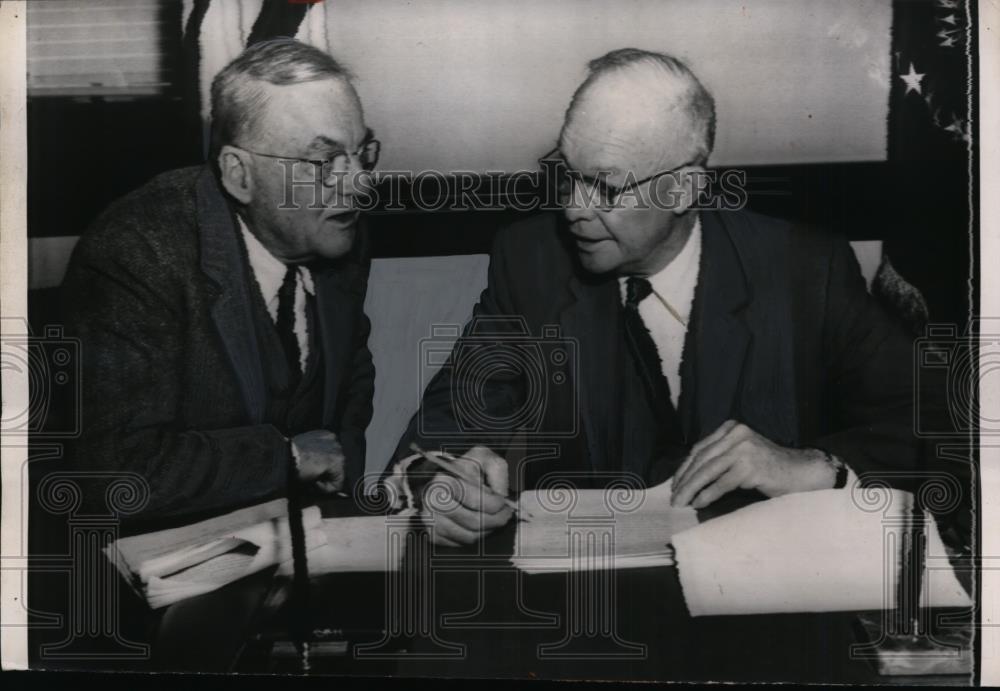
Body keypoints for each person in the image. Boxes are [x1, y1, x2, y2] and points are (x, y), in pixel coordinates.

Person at [389, 48, 918, 546]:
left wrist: (816, 467)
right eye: (566, 174)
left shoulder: (806, 269)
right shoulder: (530, 262)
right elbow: (445, 425)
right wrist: (438, 482)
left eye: (605, 187)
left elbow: (928, 425)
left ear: (683, 189)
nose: (573, 208)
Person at [63, 39, 376, 520]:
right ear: (239, 174)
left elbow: (350, 376)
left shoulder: (335, 230)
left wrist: (341, 464)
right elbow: (112, 470)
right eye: (323, 162)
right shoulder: (135, 250)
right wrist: (289, 458)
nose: (359, 184)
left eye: (361, 154)